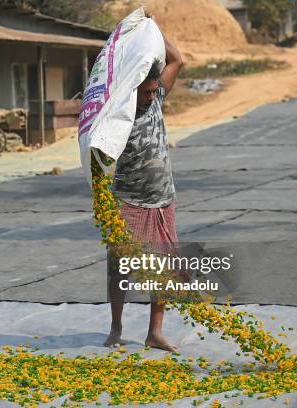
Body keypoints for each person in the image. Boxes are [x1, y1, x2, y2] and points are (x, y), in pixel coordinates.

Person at [103, 31, 184, 351]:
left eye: (154, 91)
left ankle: (155, 332)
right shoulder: (116, 113)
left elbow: (179, 60)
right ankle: (116, 327)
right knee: (120, 268)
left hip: (162, 199)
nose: (151, 97)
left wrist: (152, 30)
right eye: (146, 92)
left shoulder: (158, 98)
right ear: (132, 87)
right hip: (128, 202)